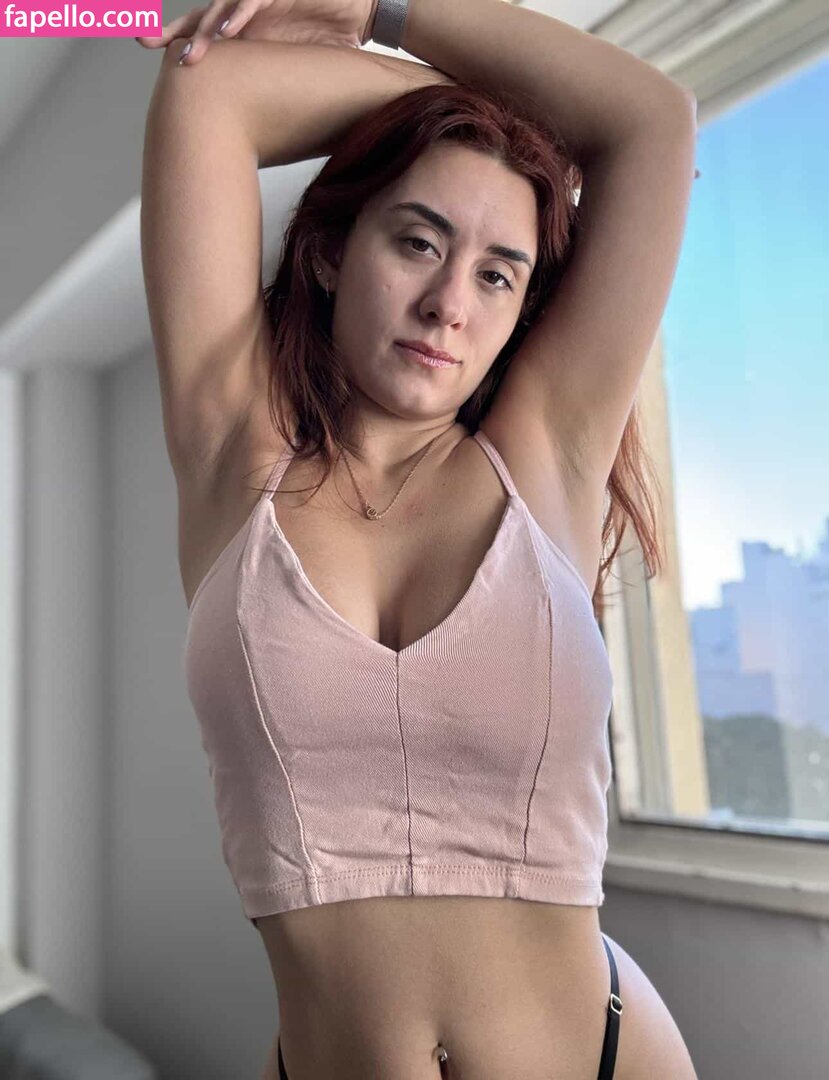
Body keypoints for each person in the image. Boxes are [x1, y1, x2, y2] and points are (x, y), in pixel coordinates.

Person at [136, 0, 701, 1076]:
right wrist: (478, 121)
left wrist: (379, 10)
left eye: (497, 272)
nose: (449, 304)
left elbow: (651, 123)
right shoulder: (233, 459)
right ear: (332, 254)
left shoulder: (546, 455)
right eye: (417, 240)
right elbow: (209, 89)